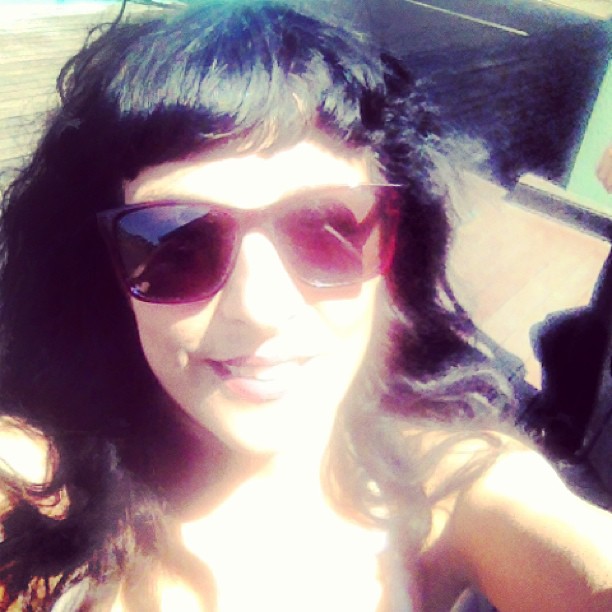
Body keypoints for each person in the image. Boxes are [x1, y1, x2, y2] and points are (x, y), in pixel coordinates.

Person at [0, 1, 610, 610]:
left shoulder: (450, 486)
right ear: (104, 270)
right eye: (175, 242)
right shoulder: (40, 492)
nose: (259, 309)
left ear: (395, 253)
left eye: (326, 230)